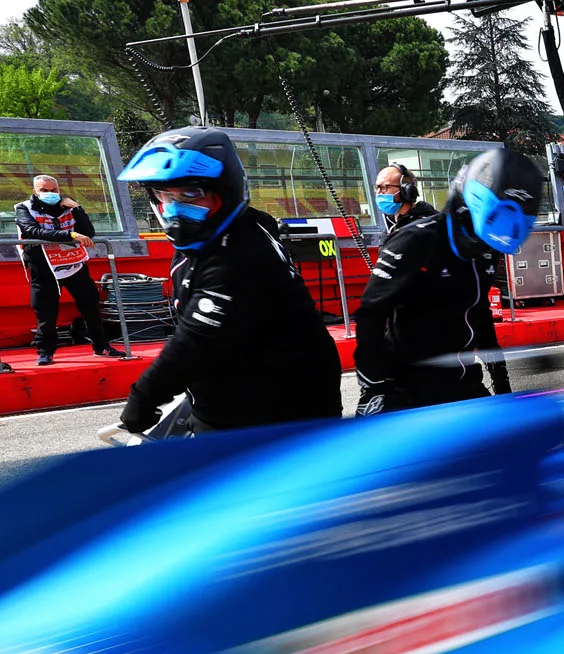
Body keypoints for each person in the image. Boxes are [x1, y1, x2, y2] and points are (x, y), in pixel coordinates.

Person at [113, 126, 339, 433]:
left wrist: (144, 396)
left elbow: (195, 341)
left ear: (225, 190)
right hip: (240, 400)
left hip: (278, 415)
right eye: (166, 195)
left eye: (191, 194)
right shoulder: (224, 233)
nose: (176, 206)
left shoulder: (239, 255)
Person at [352, 148, 541, 414]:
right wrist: (374, 387)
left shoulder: (485, 250)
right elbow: (370, 315)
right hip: (409, 387)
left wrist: (500, 380)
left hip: (464, 380)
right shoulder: (417, 240)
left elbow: (480, 311)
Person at [13, 173, 129, 367]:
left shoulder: (69, 207)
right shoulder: (24, 208)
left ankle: (101, 347)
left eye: (53, 190)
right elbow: (32, 231)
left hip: (73, 265)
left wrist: (77, 208)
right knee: (46, 313)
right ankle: (45, 352)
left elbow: (89, 233)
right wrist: (70, 234)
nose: (50, 194)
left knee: (91, 307)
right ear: (35, 191)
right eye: (44, 191)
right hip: (45, 268)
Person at [374, 163, 433, 230]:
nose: (378, 192)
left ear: (406, 189)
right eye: (377, 187)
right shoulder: (391, 225)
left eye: (384, 187)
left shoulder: (426, 227)